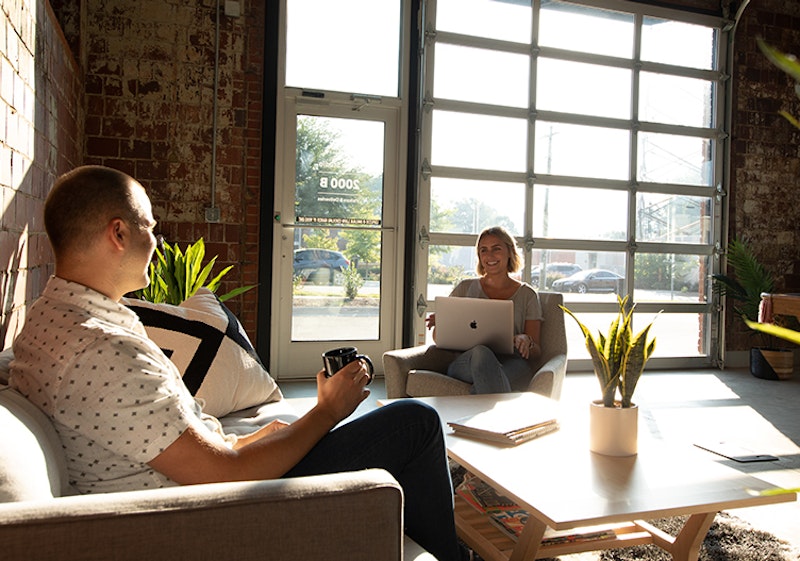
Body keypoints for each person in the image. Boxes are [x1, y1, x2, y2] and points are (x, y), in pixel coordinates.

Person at [9, 165, 461, 561]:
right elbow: (224, 474)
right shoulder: (101, 350)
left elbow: (181, 441)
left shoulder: (52, 317)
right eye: (151, 226)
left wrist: (258, 438)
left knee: (347, 428)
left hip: (202, 485)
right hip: (219, 513)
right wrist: (327, 411)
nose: (158, 240)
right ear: (119, 233)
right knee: (414, 423)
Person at [427, 226, 543, 394]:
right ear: (479, 257)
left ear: (510, 252)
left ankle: (477, 413)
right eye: (484, 250)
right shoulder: (464, 288)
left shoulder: (528, 295)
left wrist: (527, 341)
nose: (489, 256)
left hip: (513, 363)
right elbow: (438, 339)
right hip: (468, 362)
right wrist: (444, 322)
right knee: (481, 354)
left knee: (486, 381)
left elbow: (537, 351)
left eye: (496, 249)